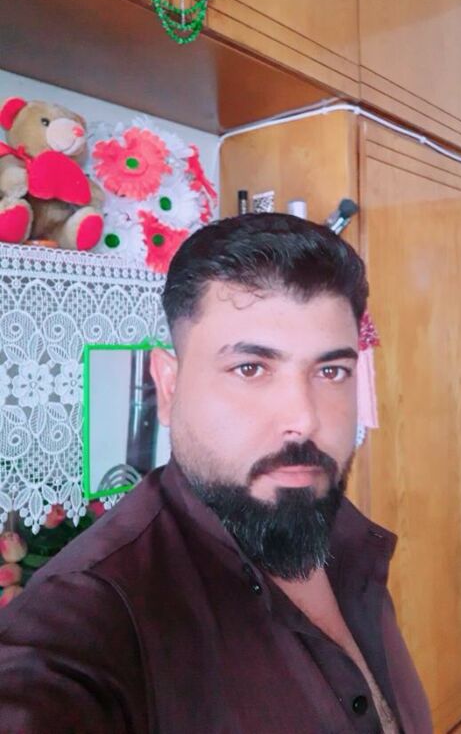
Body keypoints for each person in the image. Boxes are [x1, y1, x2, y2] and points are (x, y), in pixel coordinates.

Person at [0, 213, 433, 733]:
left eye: (330, 371)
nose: (305, 419)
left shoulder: (343, 536)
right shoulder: (90, 616)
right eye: (250, 368)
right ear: (168, 385)